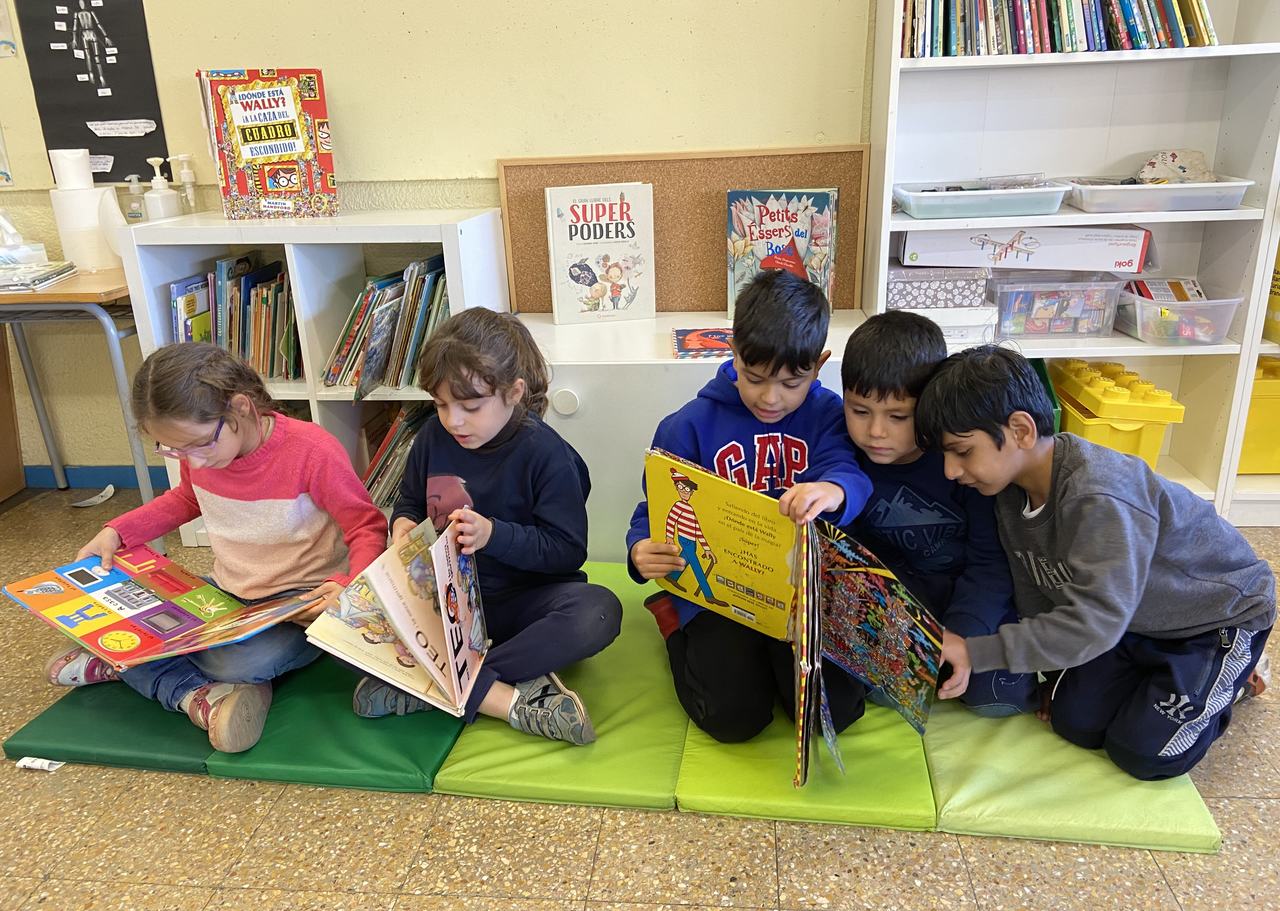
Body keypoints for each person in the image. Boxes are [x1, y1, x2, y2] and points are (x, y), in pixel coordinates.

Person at [915, 344, 1275, 779]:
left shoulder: (1098, 494)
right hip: (1132, 621)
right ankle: (1158, 680)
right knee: (1074, 722)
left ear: (1021, 431)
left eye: (962, 451)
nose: (951, 471)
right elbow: (1038, 592)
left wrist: (976, 651)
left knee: (1146, 754)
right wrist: (1053, 673)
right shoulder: (1007, 493)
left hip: (1214, 618)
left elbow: (1096, 621)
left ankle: (1236, 679)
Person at [60, 342, 387, 753]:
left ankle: (138, 666)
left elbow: (366, 526)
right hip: (227, 592)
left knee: (239, 662)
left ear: (241, 408)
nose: (192, 461)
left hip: (299, 604)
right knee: (117, 616)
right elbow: (186, 498)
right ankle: (196, 691)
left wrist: (345, 587)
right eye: (175, 450)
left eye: (199, 444)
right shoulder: (199, 452)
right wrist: (116, 532)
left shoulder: (311, 451)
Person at [354, 308, 622, 745]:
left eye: (471, 406)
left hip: (521, 605)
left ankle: (435, 686)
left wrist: (493, 535)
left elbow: (567, 551)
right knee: (344, 624)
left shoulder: (547, 455)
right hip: (446, 604)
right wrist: (401, 527)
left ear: (513, 392)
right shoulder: (433, 438)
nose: (453, 420)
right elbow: (409, 501)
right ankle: (499, 696)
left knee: (598, 612)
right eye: (441, 405)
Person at [627, 269, 873, 743]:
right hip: (720, 596)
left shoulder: (827, 416)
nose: (770, 398)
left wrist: (834, 490)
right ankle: (672, 624)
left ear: (818, 365)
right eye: (755, 378)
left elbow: (850, 472)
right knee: (733, 720)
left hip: (798, 593)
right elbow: (652, 509)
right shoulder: (687, 426)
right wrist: (640, 550)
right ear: (733, 351)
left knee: (834, 714)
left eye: (792, 382)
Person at [839, 311, 1038, 716]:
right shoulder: (844, 456)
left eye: (898, 417)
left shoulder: (962, 461)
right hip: (906, 601)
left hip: (970, 594)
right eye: (860, 411)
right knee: (881, 688)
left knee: (996, 698)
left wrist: (963, 635)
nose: (875, 432)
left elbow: (990, 563)